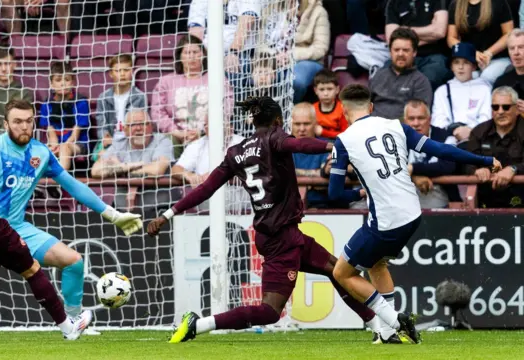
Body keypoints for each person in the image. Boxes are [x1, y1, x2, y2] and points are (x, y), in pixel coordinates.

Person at [147, 96, 382, 344]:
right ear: (279, 121)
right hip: (281, 237)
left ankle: (379, 327)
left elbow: (205, 189)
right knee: (270, 311)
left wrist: (167, 214)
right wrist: (337, 146)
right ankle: (199, 324)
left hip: (277, 232)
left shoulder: (235, 153)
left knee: (336, 270)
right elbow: (302, 145)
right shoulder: (275, 137)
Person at [0, 98, 143, 337]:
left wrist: (112, 214)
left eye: (29, 121)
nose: (24, 126)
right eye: (17, 121)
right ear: (5, 123)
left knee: (73, 261)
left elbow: (72, 185)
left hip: (18, 226)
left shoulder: (41, 153)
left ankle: (74, 321)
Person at [328, 84, 501, 344]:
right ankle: (386, 335)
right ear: (372, 107)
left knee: (342, 273)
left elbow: (334, 195)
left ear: (343, 110)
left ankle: (396, 321)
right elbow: (441, 150)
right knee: (377, 263)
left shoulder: (343, 141)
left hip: (385, 220)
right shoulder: (397, 126)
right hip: (412, 213)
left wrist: (358, 195)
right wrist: (484, 161)